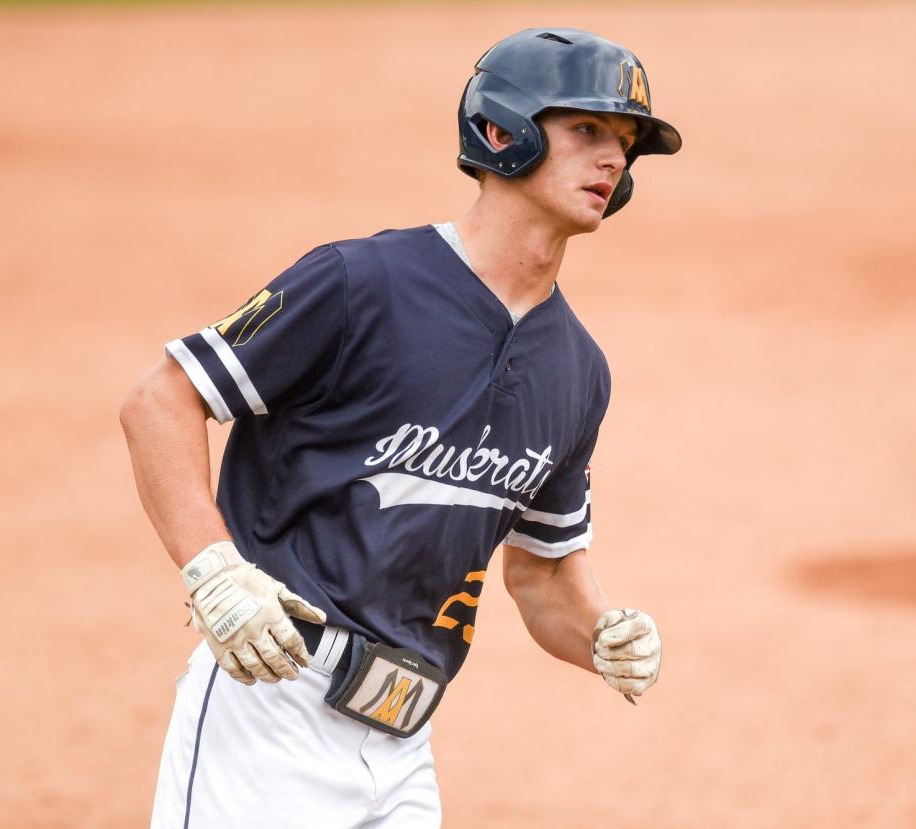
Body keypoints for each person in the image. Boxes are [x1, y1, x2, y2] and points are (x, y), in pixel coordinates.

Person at [120, 27, 681, 829]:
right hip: (271, 703)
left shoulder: (577, 370)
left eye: (626, 144)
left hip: (404, 741)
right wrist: (213, 570)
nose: (613, 160)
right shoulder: (362, 284)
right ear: (501, 129)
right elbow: (160, 400)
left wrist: (601, 635)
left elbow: (544, 577)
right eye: (588, 130)